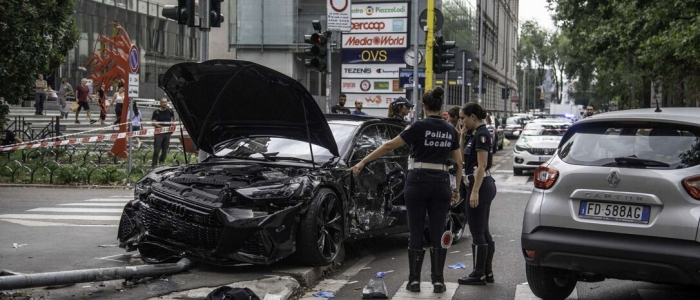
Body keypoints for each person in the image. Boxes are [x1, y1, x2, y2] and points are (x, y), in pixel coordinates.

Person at [349, 87, 463, 294]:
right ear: (442, 107)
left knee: (416, 230)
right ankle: (438, 281)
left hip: (418, 181)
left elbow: (389, 146)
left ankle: (414, 281)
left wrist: (362, 162)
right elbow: (459, 162)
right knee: (437, 231)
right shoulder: (451, 130)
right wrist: (456, 190)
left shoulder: (417, 126)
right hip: (441, 182)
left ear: (424, 106)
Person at [457, 103, 498, 286]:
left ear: (473, 117)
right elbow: (463, 159)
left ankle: (478, 273)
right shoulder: (475, 134)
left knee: (477, 231)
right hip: (479, 184)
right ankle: (487, 272)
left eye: (463, 117)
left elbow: (481, 166)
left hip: (480, 185)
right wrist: (461, 138)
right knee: (483, 230)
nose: (462, 121)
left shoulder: (482, 134)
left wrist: (474, 191)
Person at [151, 97, 175, 168]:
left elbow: (173, 118)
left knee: (165, 150)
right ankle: (154, 165)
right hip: (159, 132)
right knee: (157, 150)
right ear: (160, 103)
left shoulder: (170, 111)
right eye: (163, 102)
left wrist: (172, 125)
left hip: (167, 132)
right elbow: (153, 122)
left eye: (165, 102)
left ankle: (162, 163)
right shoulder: (156, 112)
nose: (164, 104)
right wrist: (161, 127)